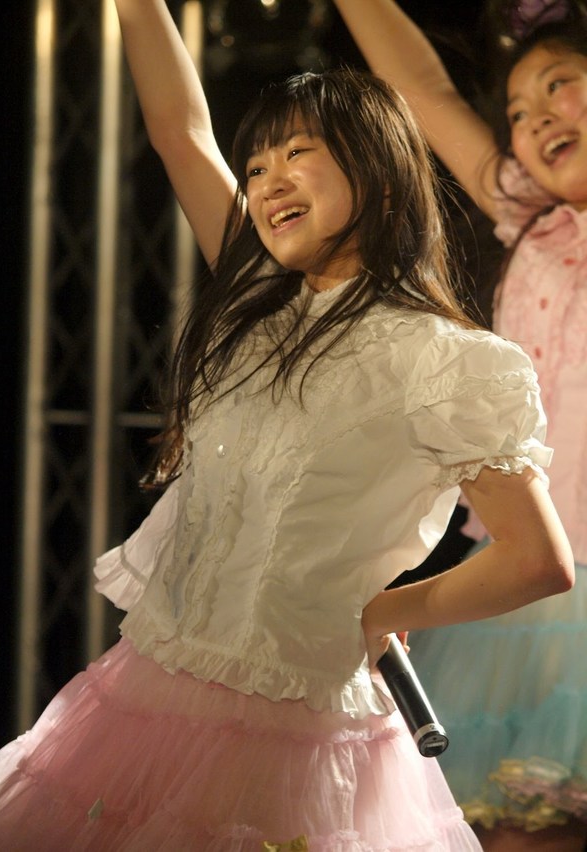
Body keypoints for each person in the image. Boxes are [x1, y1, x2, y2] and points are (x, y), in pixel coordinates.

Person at [0, 0, 575, 849]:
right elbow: (180, 132)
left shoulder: (452, 363)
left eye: (298, 154)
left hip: (297, 732)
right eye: (256, 165)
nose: (269, 179)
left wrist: (379, 613)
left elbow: (536, 560)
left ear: (383, 176)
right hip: (147, 697)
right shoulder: (257, 309)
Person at [331, 1, 587, 850]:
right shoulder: (532, 219)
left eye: (560, 86)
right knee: (507, 832)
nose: (534, 119)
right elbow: (423, 88)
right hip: (527, 593)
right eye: (517, 111)